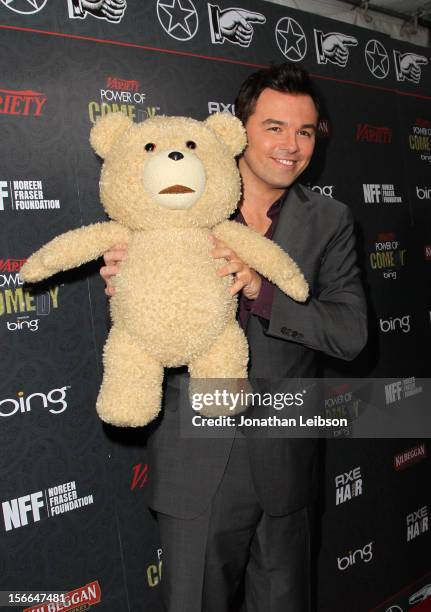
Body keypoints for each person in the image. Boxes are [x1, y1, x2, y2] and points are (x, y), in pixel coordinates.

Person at [100, 63, 367, 612]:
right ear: (241, 129)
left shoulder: (331, 220)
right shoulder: (173, 192)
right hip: (197, 460)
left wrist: (262, 293)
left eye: (306, 131)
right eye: (275, 127)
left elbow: (351, 333)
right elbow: (148, 318)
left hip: (287, 465)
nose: (291, 145)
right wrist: (126, 291)